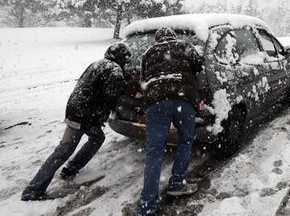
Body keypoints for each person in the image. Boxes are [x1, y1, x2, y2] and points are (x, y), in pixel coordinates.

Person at [21, 42, 132, 201]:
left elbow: (97, 87)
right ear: (122, 58)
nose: (127, 63)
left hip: (77, 110)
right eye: (126, 60)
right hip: (84, 115)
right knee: (63, 151)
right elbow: (112, 96)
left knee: (96, 138)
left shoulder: (98, 64)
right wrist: (129, 98)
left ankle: (71, 169)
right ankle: (33, 190)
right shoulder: (114, 70)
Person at [137, 28, 203, 216]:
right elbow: (199, 67)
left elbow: (143, 79)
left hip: (155, 101)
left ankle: (148, 204)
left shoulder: (147, 53)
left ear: (157, 40)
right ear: (173, 37)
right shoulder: (185, 46)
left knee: (154, 151)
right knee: (186, 140)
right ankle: (176, 183)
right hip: (183, 98)